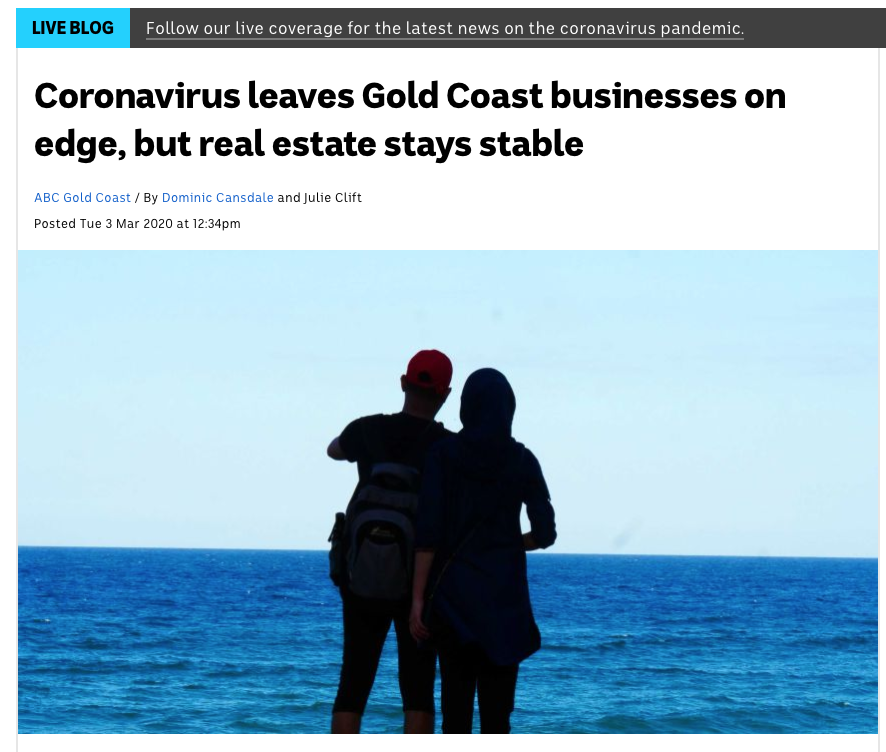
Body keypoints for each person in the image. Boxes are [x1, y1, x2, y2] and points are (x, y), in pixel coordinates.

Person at [409, 368, 556, 734]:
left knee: (455, 715)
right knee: (497, 717)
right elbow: (546, 533)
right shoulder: (523, 461)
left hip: (452, 603)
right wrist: (510, 544)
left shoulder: (443, 456)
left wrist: (416, 601)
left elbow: (427, 535)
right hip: (504, 606)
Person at [327, 349, 453, 734]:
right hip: (419, 579)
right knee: (417, 686)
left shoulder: (368, 429)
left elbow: (333, 450)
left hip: (362, 577)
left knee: (354, 679)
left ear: (403, 383)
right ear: (445, 395)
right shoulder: (446, 446)